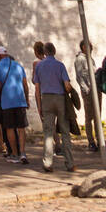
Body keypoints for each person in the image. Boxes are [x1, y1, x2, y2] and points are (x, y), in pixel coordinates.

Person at [33, 42, 76, 173]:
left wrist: (39, 106)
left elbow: (37, 87)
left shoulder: (39, 66)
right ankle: (69, 163)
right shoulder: (60, 65)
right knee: (65, 132)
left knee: (48, 132)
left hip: (46, 98)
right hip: (60, 98)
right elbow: (67, 85)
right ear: (54, 51)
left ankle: (48, 162)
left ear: (45, 52)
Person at [0, 44, 30, 165]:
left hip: (7, 101)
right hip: (20, 100)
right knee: (21, 128)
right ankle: (23, 152)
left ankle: (15, 153)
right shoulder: (18, 65)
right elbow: (25, 84)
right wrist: (27, 99)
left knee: (10, 128)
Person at [74, 41, 99, 152]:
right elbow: (79, 77)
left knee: (97, 115)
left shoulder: (90, 58)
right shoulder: (80, 59)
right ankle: (91, 141)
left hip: (95, 89)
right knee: (89, 117)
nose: (91, 47)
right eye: (89, 46)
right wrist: (87, 90)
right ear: (84, 47)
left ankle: (99, 139)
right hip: (89, 91)